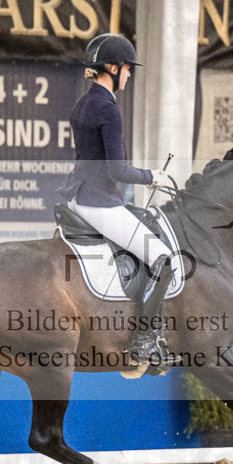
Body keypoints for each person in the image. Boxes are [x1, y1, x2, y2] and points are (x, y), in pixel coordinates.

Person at [57, 33, 175, 370]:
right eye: (127, 68)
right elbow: (117, 170)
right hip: (99, 203)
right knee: (163, 259)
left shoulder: (84, 103)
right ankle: (144, 341)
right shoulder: (107, 108)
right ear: (112, 67)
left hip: (79, 197)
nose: (129, 74)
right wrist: (153, 176)